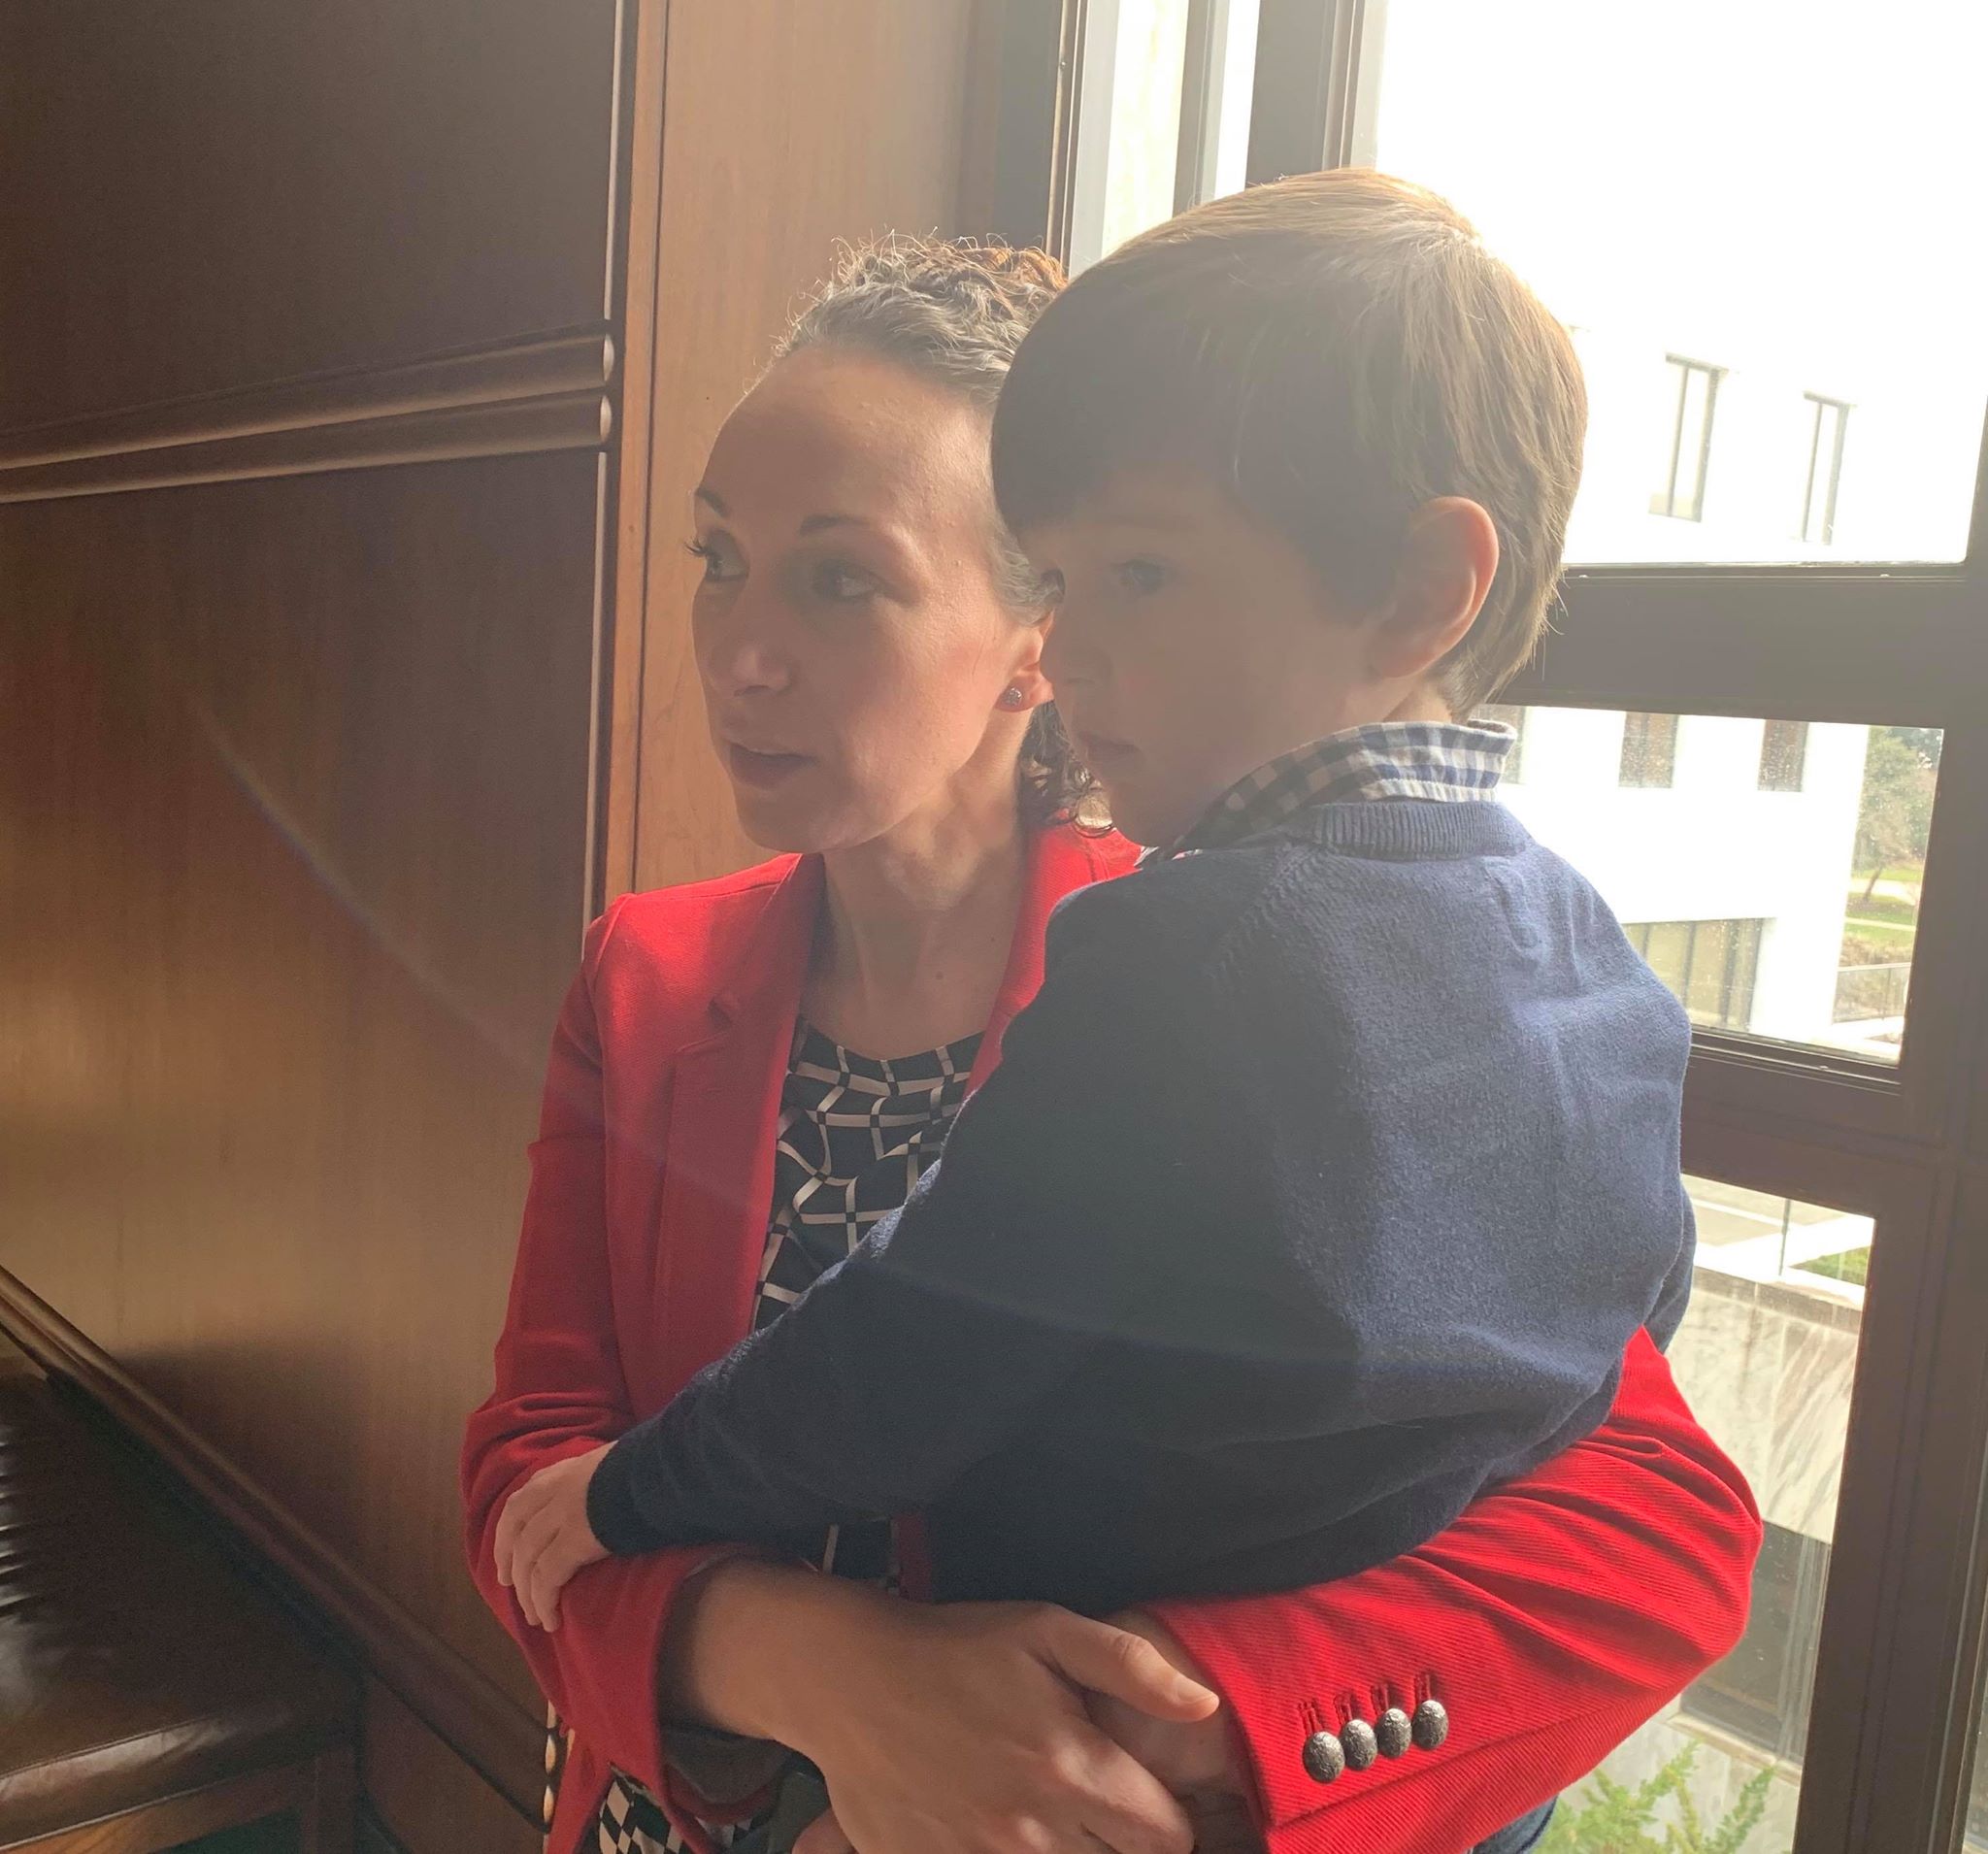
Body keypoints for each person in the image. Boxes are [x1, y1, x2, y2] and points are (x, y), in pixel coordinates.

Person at [463, 230, 1759, 1854]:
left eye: (840, 576)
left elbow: (1657, 1516)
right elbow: (526, 1487)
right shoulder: (642, 975)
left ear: (1031, 642)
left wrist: (1176, 1724)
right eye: (719, 557)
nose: (739, 652)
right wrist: (834, 1674)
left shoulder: (1220, 967)